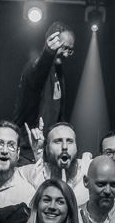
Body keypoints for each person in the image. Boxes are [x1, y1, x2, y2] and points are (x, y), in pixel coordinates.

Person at [12, 22, 75, 162]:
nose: (66, 54)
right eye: (64, 48)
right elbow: (38, 73)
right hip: (28, 152)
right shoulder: (35, 66)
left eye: (70, 50)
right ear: (51, 42)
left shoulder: (58, 72)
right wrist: (48, 53)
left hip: (46, 151)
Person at [24, 122, 91, 206]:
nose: (64, 147)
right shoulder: (35, 174)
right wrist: (37, 152)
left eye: (70, 141)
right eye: (58, 141)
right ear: (47, 149)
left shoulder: (89, 169)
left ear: (76, 147)